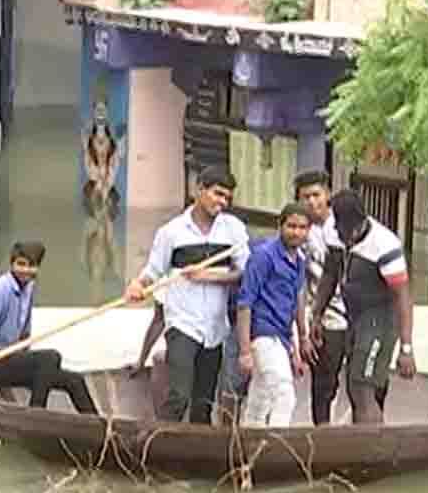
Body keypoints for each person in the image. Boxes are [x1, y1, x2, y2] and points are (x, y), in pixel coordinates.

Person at [123, 166, 250, 425]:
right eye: (217, 194)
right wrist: (137, 285)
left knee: (203, 404)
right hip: (182, 323)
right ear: (199, 189)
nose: (221, 202)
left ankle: (195, 457)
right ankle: (157, 443)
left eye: (226, 197)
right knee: (179, 395)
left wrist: (210, 277)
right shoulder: (172, 232)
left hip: (216, 328)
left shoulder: (233, 229)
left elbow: (245, 272)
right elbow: (154, 271)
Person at [310, 190, 416, 427]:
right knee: (354, 385)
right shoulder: (333, 232)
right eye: (342, 233)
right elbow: (330, 273)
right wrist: (316, 314)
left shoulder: (385, 246)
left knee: (361, 386)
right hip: (354, 317)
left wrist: (406, 348)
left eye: (352, 233)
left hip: (381, 320)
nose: (347, 239)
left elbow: (403, 298)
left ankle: (371, 450)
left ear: (363, 223)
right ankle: (364, 442)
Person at [0, 241, 98, 414]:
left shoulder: (28, 288)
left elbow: (24, 335)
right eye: (21, 264)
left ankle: (102, 429)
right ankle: (36, 412)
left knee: (74, 380)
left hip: (11, 360)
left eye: (32, 266)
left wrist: (29, 363)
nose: (25, 270)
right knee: (51, 357)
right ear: (12, 264)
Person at [234, 203, 311, 428]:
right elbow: (245, 303)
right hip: (263, 334)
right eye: (291, 226)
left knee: (260, 399)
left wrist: (297, 347)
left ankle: (247, 450)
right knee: (283, 394)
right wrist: (245, 351)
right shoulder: (264, 256)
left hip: (281, 337)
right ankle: (277, 450)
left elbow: (296, 301)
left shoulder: (299, 261)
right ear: (280, 225)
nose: (296, 232)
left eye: (302, 227)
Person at [294, 170, 349, 426]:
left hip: (352, 313)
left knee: (357, 382)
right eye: (305, 197)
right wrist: (304, 327)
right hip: (324, 318)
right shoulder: (299, 232)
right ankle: (323, 433)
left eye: (316, 195)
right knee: (323, 383)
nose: (311, 202)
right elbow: (298, 282)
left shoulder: (344, 226)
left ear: (327, 195)